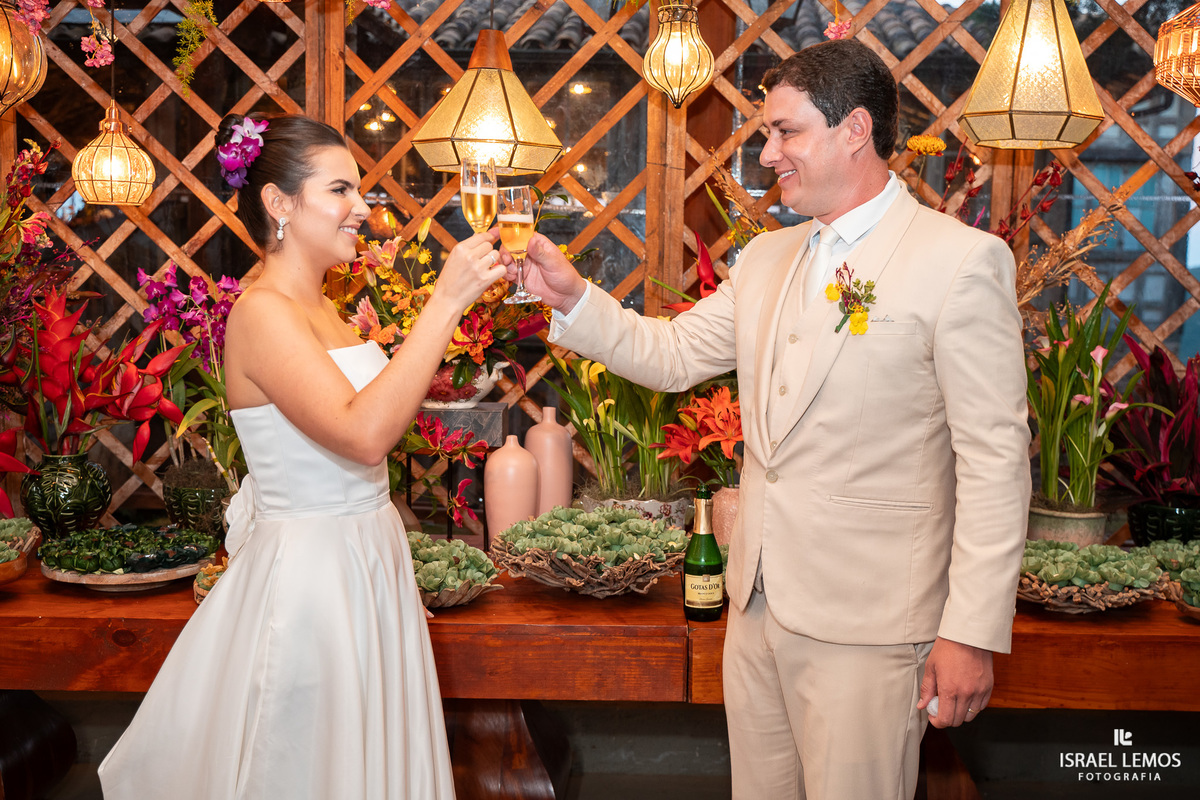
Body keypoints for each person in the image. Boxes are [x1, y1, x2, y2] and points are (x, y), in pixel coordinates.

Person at [502, 39, 1030, 800]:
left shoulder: (960, 262)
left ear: (855, 129)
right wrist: (570, 296)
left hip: (871, 628)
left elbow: (995, 462)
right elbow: (674, 353)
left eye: (786, 132)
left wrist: (971, 632)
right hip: (755, 613)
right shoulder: (768, 259)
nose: (767, 152)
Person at [98, 113, 506, 798]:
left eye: (360, 191)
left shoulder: (324, 310)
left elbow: (362, 470)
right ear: (279, 203)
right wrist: (445, 302)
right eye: (341, 190)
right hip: (314, 585)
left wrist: (393, 570)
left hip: (365, 566)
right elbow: (364, 433)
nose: (363, 208)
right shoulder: (262, 314)